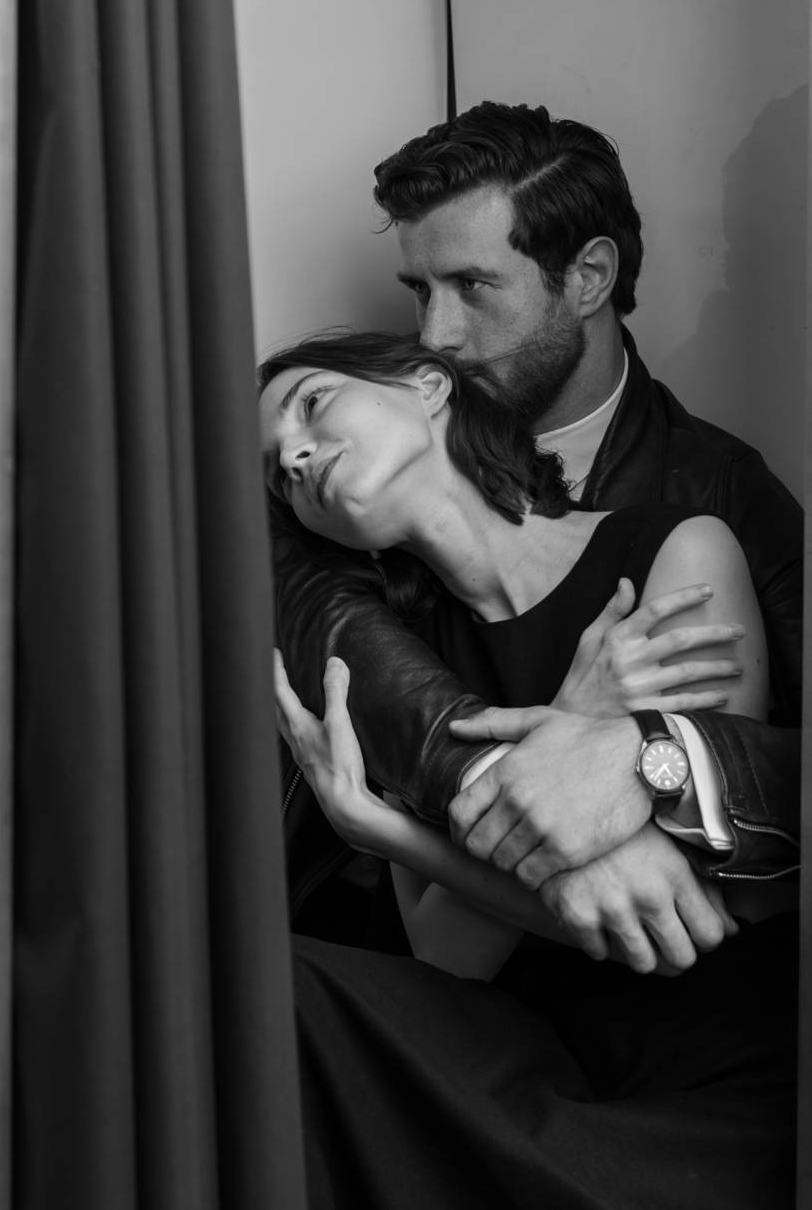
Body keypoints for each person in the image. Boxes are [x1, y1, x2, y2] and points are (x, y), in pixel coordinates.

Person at [260, 331, 797, 1210]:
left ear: (427, 385)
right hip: (517, 1048)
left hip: (702, 1053)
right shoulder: (397, 679)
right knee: (274, 988)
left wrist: (394, 828)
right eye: (279, 471)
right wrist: (559, 730)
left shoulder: (673, 550)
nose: (294, 456)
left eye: (311, 405)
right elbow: (448, 957)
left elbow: (688, 914)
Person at [275, 102, 800, 957]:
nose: (435, 336)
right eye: (420, 291)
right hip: (444, 974)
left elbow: (699, 895)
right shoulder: (365, 504)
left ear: (588, 277)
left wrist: (640, 753)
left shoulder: (715, 495)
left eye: (472, 286)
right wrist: (554, 738)